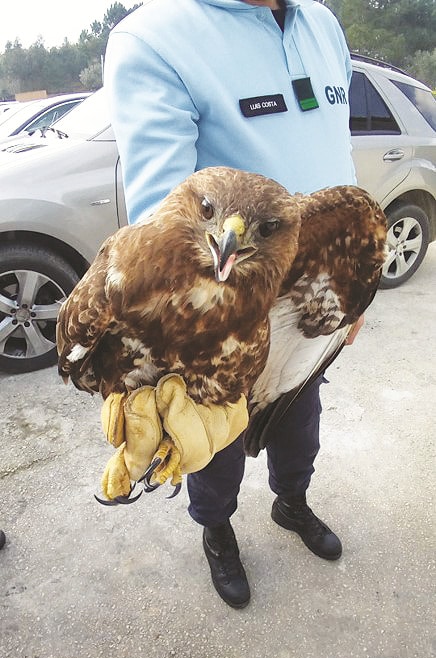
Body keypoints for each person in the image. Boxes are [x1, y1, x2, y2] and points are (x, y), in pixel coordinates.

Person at [105, 0, 363, 609]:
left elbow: (336, 150)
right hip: (221, 319)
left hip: (309, 307)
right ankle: (217, 533)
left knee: (300, 423)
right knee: (210, 444)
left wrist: (351, 293)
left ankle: (291, 503)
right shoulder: (154, 36)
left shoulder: (321, 22)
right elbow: (162, 222)